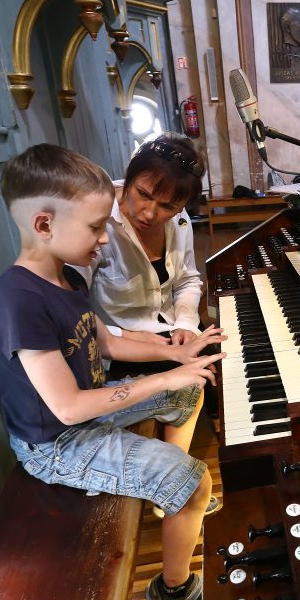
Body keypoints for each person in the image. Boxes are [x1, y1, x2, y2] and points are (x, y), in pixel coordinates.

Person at [0, 143, 224, 600]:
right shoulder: (19, 300)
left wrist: (175, 353)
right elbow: (69, 408)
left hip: (83, 416)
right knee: (194, 480)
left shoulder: (64, 281)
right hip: (54, 442)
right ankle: (173, 589)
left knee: (186, 390)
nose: (104, 238)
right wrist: (163, 378)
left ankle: (170, 496)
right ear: (45, 224)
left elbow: (111, 345)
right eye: (95, 227)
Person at [78, 134, 220, 420]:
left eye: (168, 206)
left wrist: (186, 324)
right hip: (120, 346)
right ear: (129, 178)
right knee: (194, 381)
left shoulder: (179, 221)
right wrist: (130, 335)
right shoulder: (97, 222)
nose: (150, 213)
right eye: (144, 194)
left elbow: (187, 281)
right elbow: (74, 313)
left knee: (224, 366)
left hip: (170, 329)